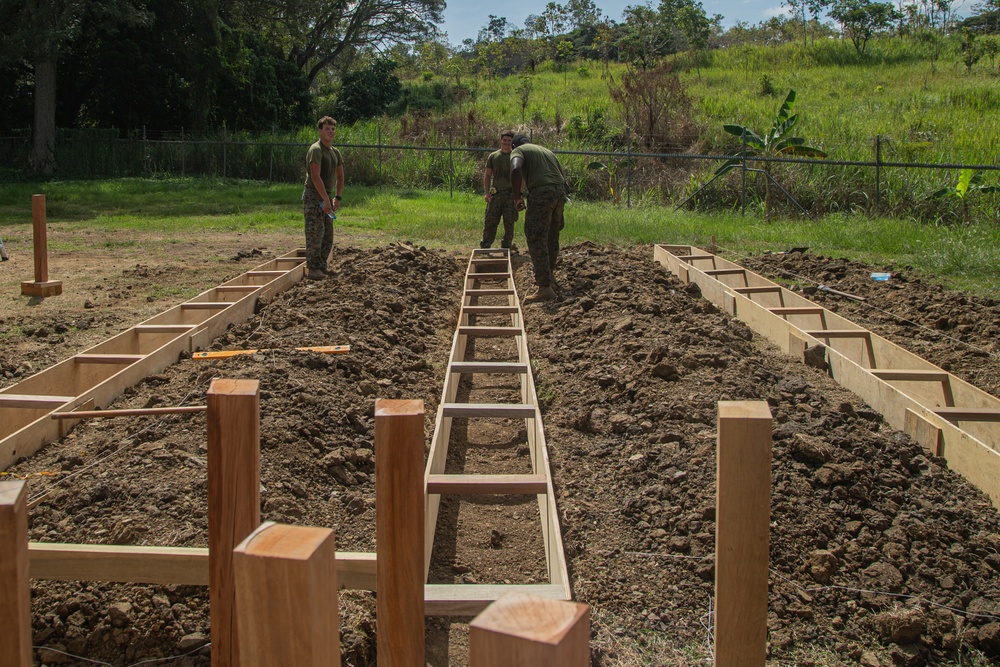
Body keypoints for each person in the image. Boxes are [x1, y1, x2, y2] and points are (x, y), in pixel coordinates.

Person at [509, 135, 567, 303]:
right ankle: (549, 276)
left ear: (514, 146)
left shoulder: (518, 151)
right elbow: (562, 175)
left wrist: (517, 197)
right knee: (552, 236)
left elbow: (515, 169)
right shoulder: (547, 151)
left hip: (542, 193)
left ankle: (544, 288)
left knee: (536, 238)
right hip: (559, 192)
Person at [302, 116, 345, 280]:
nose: (331, 132)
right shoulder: (316, 150)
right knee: (315, 232)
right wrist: (325, 199)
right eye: (327, 129)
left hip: (326, 195)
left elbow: (340, 177)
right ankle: (313, 269)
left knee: (327, 233)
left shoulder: (335, 152)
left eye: (333, 129)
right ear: (320, 131)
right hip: (314, 195)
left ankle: (321, 266)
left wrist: (337, 197)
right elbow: (315, 176)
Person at [480, 130, 518, 250]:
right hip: (496, 194)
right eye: (505, 140)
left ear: (512, 142)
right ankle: (485, 246)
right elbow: (487, 175)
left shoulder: (516, 157)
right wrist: (486, 192)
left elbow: (521, 177)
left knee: (509, 223)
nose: (507, 143)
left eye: (509, 141)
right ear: (500, 141)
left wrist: (518, 195)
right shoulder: (493, 156)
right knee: (490, 222)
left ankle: (506, 246)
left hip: (510, 194)